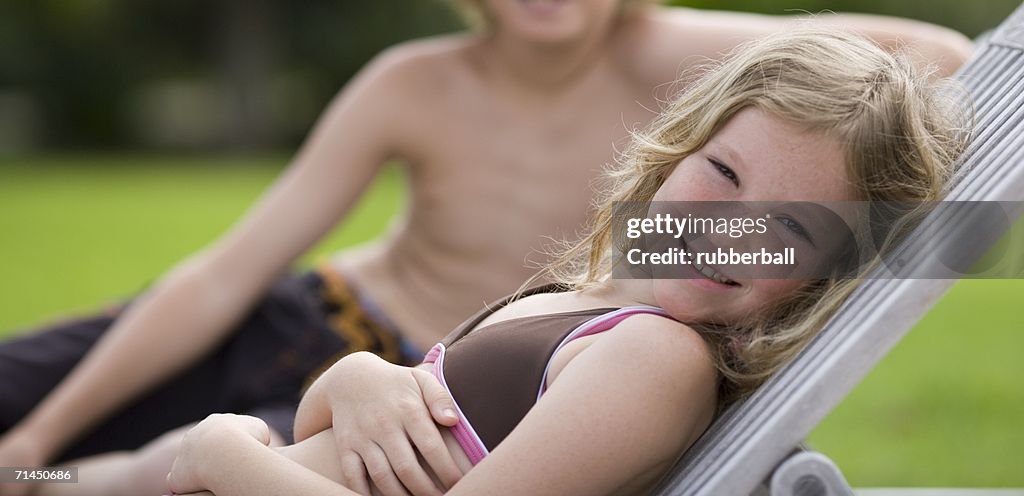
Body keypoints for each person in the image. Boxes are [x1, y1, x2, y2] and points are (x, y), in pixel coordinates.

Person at [0, 0, 973, 496]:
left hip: (432, 386)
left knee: (161, 463)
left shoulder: (671, 96)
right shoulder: (418, 82)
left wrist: (681, 45)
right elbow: (224, 274)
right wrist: (43, 433)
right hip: (332, 334)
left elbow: (935, 59)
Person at [139, 29, 968, 496]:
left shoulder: (657, 358)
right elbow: (382, 435)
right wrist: (356, 378)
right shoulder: (592, 303)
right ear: (674, 154)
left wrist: (227, 456)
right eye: (720, 174)